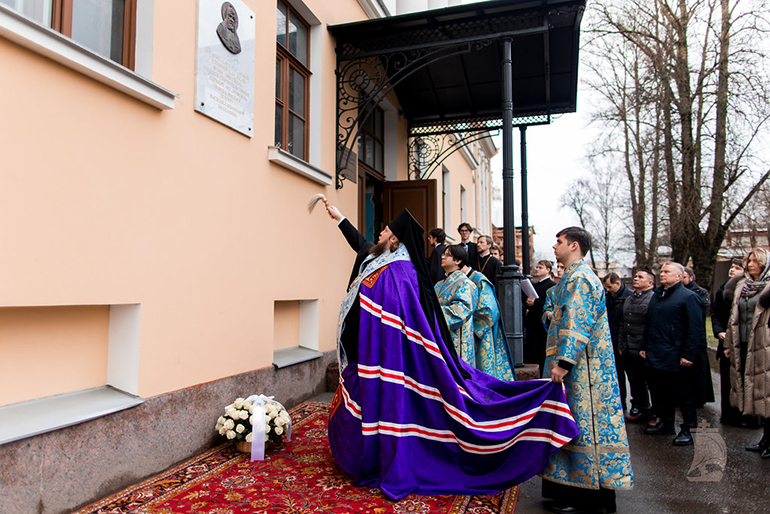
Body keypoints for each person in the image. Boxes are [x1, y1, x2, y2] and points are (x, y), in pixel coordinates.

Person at [326, 207, 580, 500]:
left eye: (384, 231)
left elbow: (407, 313)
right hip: (384, 352)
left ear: (394, 239)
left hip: (405, 352)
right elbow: (367, 256)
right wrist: (340, 218)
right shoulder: (385, 263)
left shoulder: (401, 271)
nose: (379, 234)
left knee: (444, 400)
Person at [539, 227, 633, 514]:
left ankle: (593, 500)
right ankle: (568, 490)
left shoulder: (580, 277)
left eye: (559, 242)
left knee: (585, 426)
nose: (554, 247)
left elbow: (578, 324)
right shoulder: (570, 277)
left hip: (584, 369)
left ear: (575, 246)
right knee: (569, 423)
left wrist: (564, 363)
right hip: (575, 365)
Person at [641, 262, 703, 447]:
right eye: (661, 271)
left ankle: (689, 429)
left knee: (684, 395)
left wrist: (689, 355)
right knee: (662, 393)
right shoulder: (658, 296)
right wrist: (645, 346)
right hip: (657, 353)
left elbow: (695, 329)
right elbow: (650, 323)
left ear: (679, 276)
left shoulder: (689, 297)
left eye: (667, 272)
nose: (662, 274)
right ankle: (667, 424)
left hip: (677, 355)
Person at [724, 248, 770, 457]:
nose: (750, 264)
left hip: (764, 344)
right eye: (748, 261)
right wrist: (728, 344)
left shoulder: (768, 286)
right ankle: (765, 439)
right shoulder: (742, 285)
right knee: (754, 391)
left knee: (766, 392)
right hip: (743, 343)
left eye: (755, 261)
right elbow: (733, 316)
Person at [461, 263, 515, 380]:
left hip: (481, 335)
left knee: (484, 372)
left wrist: (468, 322)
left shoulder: (479, 279)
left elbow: (490, 310)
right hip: (464, 334)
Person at [618, 269, 655, 423]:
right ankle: (642, 410)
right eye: (636, 276)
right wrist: (621, 344)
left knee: (650, 384)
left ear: (650, 282)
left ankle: (655, 415)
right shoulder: (629, 299)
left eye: (641, 277)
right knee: (635, 383)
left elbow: (652, 326)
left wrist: (646, 347)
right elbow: (623, 323)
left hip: (644, 350)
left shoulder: (653, 299)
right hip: (628, 349)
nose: (636, 279)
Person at [711, 258, 745, 425]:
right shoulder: (723, 289)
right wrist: (719, 332)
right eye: (732, 267)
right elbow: (716, 314)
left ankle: (746, 416)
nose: (732, 270)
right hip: (725, 341)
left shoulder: (748, 289)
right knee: (727, 380)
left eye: (737, 268)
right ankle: (728, 415)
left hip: (743, 341)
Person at [435, 245, 478, 366]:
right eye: (443, 254)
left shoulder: (465, 283)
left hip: (457, 339)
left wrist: (434, 313)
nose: (442, 256)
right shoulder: (438, 285)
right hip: (441, 336)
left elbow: (461, 311)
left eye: (447, 255)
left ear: (458, 261)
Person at [683, 267, 715, 407]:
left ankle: (699, 397)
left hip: (697, 336)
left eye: (684, 277)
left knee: (699, 370)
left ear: (691, 277)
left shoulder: (700, 292)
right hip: (683, 336)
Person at [602, 272, 634, 413]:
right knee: (617, 373)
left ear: (618, 283)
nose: (608, 290)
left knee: (632, 376)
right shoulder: (608, 296)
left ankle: (636, 404)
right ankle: (620, 401)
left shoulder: (629, 296)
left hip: (626, 340)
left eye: (610, 287)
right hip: (612, 338)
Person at [524, 260, 556, 377]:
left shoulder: (552, 286)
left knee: (541, 351)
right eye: (537, 267)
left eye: (540, 267)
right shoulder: (535, 285)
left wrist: (536, 302)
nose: (537, 269)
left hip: (541, 324)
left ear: (548, 270)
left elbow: (550, 304)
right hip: (532, 321)